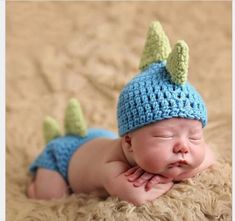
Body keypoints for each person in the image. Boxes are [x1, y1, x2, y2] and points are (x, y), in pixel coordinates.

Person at [27, 21, 215, 205]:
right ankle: (34, 188)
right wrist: (165, 180)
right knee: (50, 196)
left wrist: (169, 172)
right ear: (128, 142)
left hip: (97, 138)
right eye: (165, 136)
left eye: (195, 137)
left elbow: (209, 156)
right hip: (63, 158)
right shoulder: (112, 166)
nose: (183, 147)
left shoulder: (151, 149)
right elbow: (138, 196)